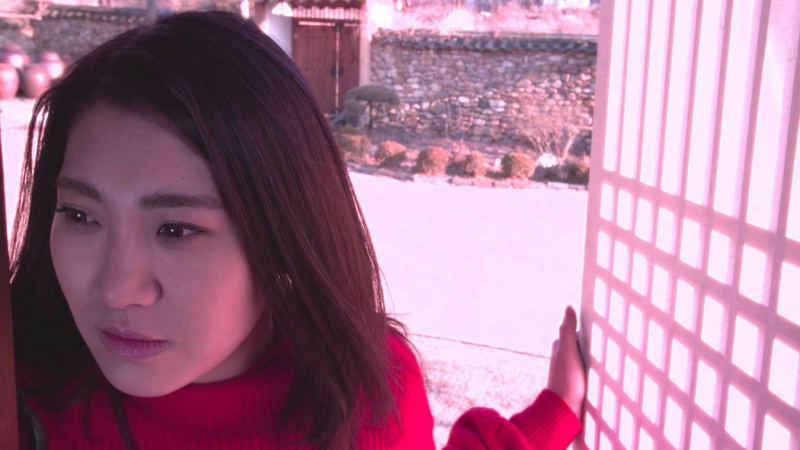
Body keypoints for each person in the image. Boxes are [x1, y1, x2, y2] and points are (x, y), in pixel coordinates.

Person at [11, 10, 585, 450]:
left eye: (176, 229)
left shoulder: (358, 400)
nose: (117, 290)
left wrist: (556, 410)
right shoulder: (22, 382)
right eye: (80, 216)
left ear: (283, 232)